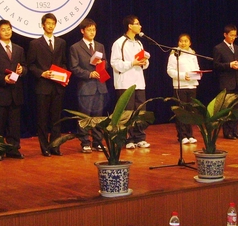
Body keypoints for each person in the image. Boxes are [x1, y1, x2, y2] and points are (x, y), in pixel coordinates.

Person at [0, 20, 27, 160]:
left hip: (16, 93)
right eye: (3, 29)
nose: (7, 32)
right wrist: (3, 78)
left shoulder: (19, 49)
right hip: (0, 92)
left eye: (9, 29)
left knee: (14, 125)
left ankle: (13, 149)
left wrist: (22, 70)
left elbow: (25, 67)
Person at [27, 13, 68, 157]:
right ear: (43, 25)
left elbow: (64, 62)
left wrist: (64, 76)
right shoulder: (35, 44)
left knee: (56, 119)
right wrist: (41, 73)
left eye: (53, 23)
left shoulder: (61, 42)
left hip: (57, 86)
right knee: (42, 119)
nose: (51, 26)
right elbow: (30, 65)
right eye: (48, 23)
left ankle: (55, 146)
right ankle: (44, 147)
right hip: (43, 86)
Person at [110, 15, 150, 149]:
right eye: (137, 24)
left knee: (140, 111)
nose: (140, 26)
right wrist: (132, 63)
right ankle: (128, 139)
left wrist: (144, 62)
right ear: (130, 26)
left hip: (139, 82)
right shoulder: (119, 43)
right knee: (127, 112)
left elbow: (144, 63)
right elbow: (115, 63)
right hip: (125, 82)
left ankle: (140, 137)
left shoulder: (139, 43)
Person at [69, 18, 108, 153]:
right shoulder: (75, 47)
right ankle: (85, 142)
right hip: (85, 87)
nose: (92, 32)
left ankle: (98, 142)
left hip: (100, 86)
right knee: (85, 116)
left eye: (94, 30)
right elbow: (74, 67)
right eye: (89, 30)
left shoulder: (100, 46)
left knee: (98, 117)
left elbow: (106, 63)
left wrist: (102, 65)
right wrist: (89, 74)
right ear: (82, 31)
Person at [212, 24, 238, 140]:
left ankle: (235, 130)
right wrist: (229, 65)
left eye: (235, 35)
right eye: (231, 35)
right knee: (227, 108)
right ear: (225, 35)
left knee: (237, 108)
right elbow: (216, 65)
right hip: (226, 82)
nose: (233, 38)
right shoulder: (218, 48)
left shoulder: (237, 48)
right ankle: (227, 132)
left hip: (237, 81)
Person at [167, 33, 199, 144]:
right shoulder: (174, 54)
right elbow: (170, 70)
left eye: (185, 41)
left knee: (190, 111)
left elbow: (197, 68)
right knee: (181, 111)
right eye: (181, 41)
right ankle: (182, 136)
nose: (183, 43)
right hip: (180, 86)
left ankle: (190, 134)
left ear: (190, 43)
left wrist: (196, 75)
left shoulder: (193, 54)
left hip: (192, 85)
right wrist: (182, 76)